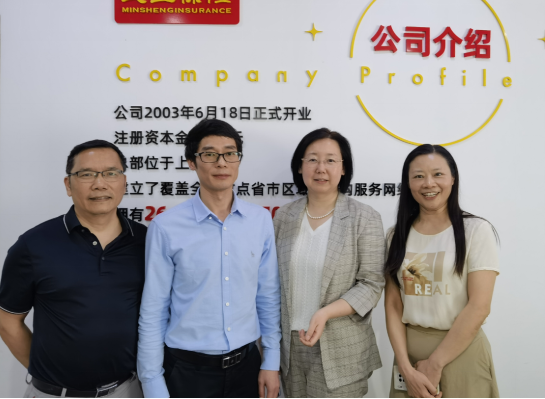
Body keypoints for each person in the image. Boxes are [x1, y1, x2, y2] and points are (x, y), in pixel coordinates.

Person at [137, 119, 281, 398]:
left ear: (239, 160)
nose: (221, 162)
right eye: (210, 154)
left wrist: (271, 360)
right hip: (187, 373)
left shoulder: (260, 220)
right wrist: (152, 382)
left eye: (230, 153)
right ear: (192, 162)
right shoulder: (166, 227)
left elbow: (267, 295)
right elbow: (154, 308)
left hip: (247, 367)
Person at [0, 140, 147, 398]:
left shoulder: (146, 241)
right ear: (68, 185)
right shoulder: (34, 244)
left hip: (128, 389)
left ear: (124, 181)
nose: (100, 183)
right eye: (87, 174)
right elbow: (8, 323)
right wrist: (49, 379)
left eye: (111, 173)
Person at [273, 128, 386, 398]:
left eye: (331, 160)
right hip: (289, 349)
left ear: (343, 168)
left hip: (340, 351)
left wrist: (324, 313)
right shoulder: (284, 216)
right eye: (312, 159)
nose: (321, 168)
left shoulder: (364, 217)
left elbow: (371, 284)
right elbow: (272, 282)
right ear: (299, 166)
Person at [384, 144, 500, 398]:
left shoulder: (476, 230)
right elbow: (393, 304)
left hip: (461, 351)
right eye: (418, 176)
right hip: (409, 357)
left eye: (438, 174)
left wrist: (435, 364)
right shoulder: (396, 235)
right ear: (408, 183)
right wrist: (405, 368)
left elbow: (479, 306)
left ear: (453, 178)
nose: (429, 183)